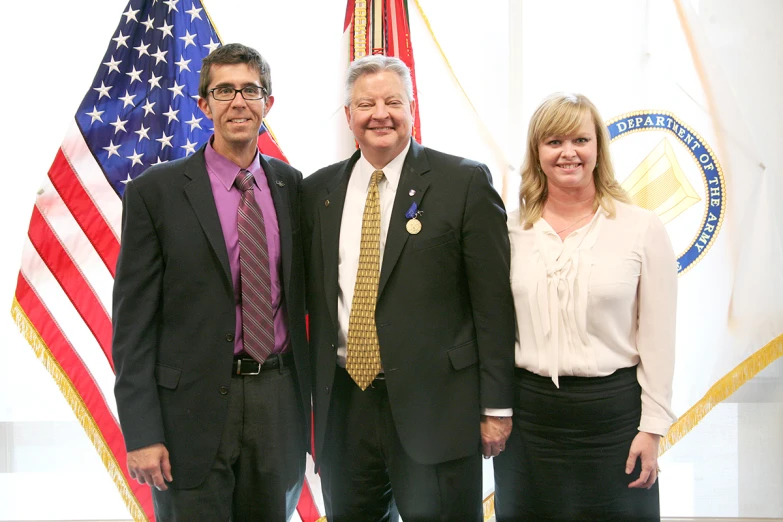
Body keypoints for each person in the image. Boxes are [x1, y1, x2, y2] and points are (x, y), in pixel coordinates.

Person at [301, 55, 515, 521]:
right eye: (366, 103)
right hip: (345, 406)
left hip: (436, 407)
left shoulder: (463, 182)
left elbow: (493, 305)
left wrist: (497, 405)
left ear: (412, 108)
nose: (381, 113)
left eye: (393, 101)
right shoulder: (317, 192)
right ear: (348, 117)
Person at [112, 43, 309, 521]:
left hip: (276, 403)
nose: (238, 102)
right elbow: (132, 325)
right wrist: (141, 433)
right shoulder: (155, 192)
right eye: (224, 90)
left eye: (250, 90)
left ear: (268, 103)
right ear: (204, 104)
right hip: (189, 415)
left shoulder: (293, 186)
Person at [493, 92, 678, 522]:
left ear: (598, 149)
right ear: (537, 153)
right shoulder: (509, 228)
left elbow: (658, 340)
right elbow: (493, 327)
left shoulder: (641, 228)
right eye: (553, 142)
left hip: (614, 419)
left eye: (580, 140)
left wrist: (652, 429)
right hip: (529, 420)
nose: (568, 153)